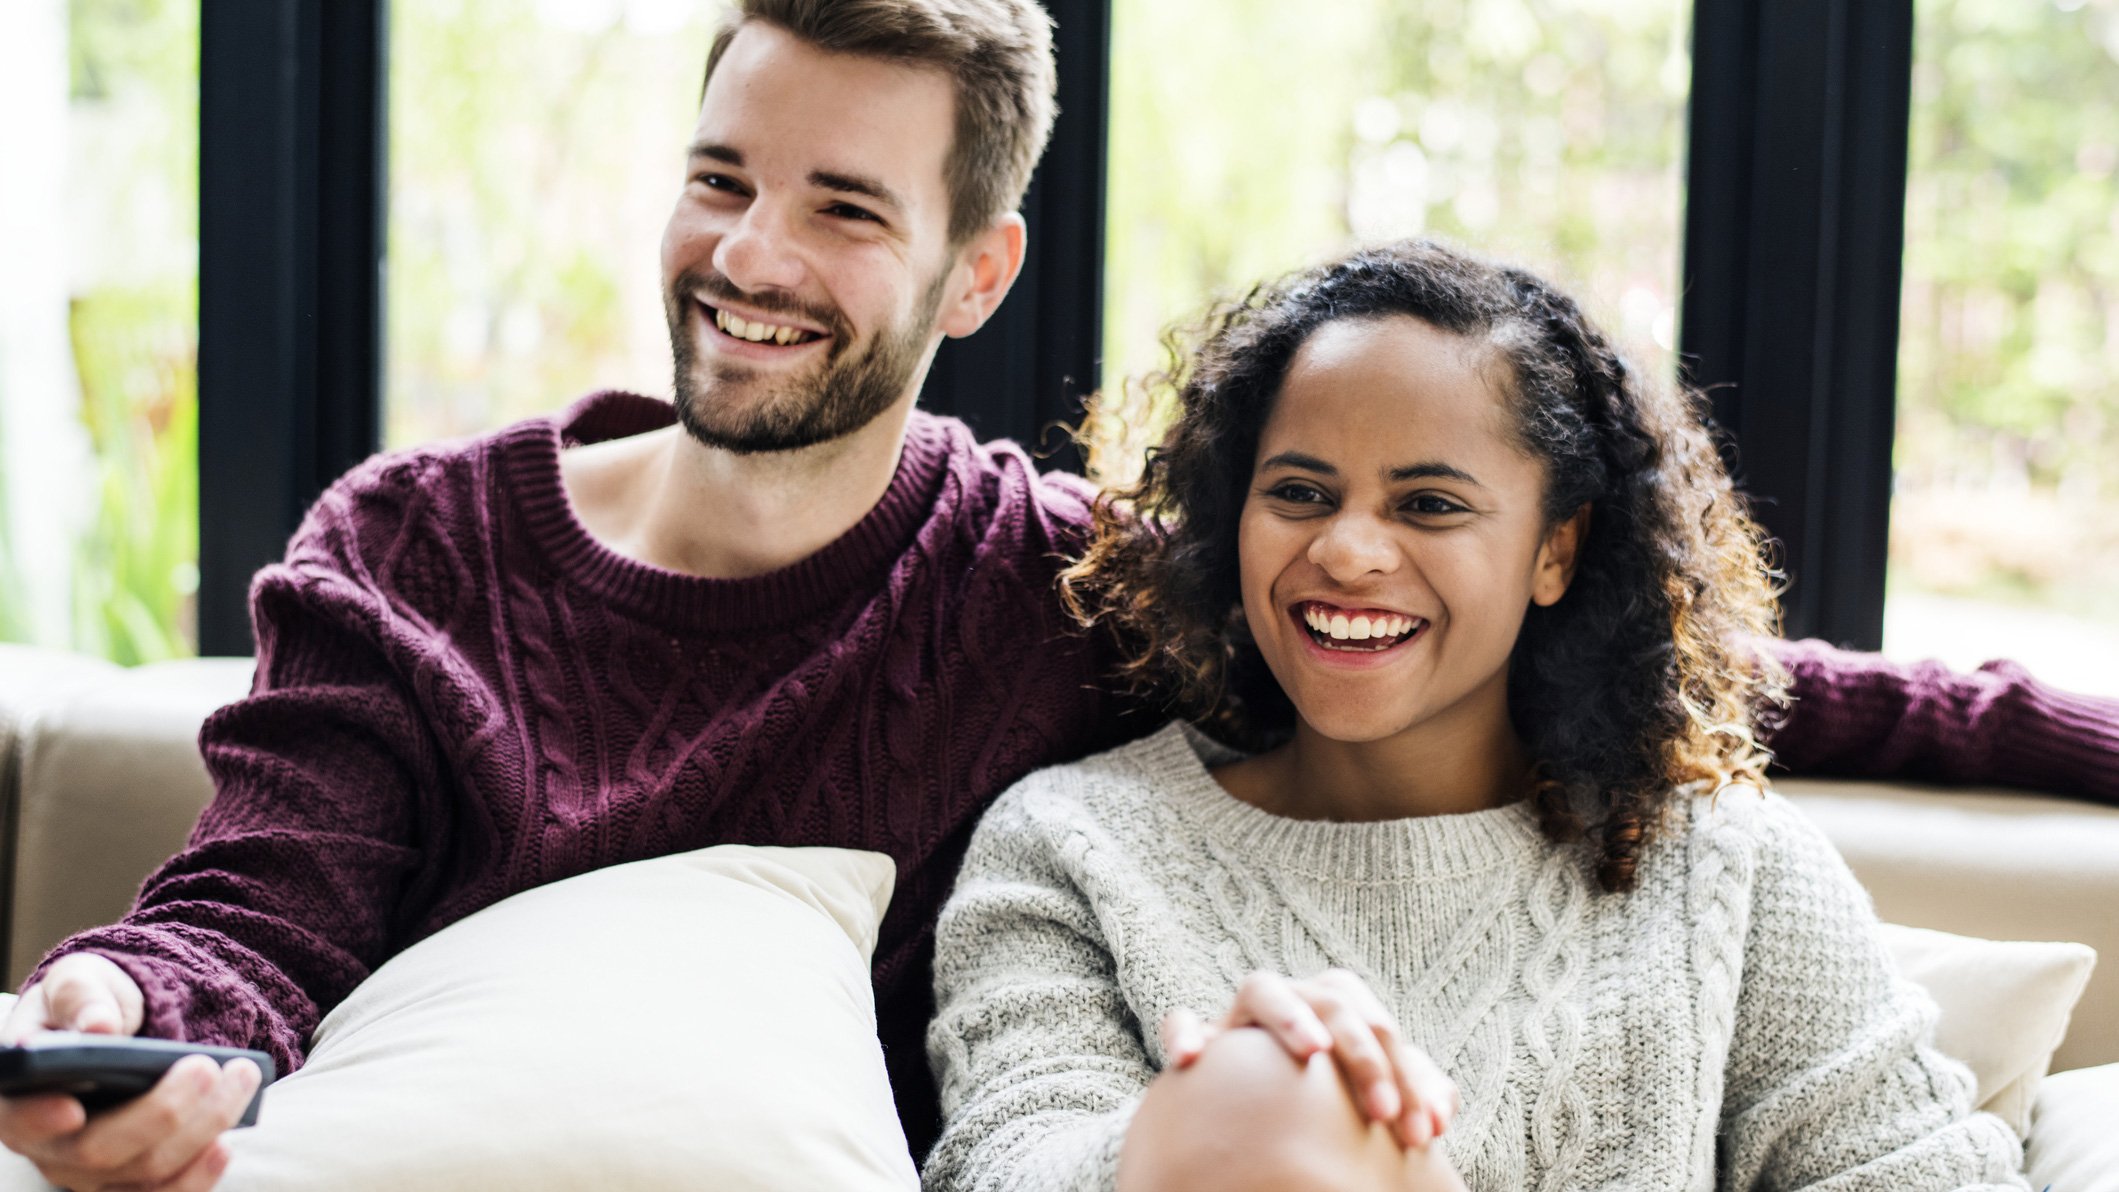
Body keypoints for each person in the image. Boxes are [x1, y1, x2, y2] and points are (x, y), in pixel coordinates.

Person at [0, 1, 2107, 1188]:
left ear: (972, 270)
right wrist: (131, 1016)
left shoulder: (1056, 584)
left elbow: (1664, 658)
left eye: (843, 207)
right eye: (725, 181)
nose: (751, 256)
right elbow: (255, 904)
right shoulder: (423, 543)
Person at [922, 241, 2031, 1190]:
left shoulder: (1730, 875)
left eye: (1429, 504)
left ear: (1555, 549)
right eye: (1299, 492)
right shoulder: (1072, 846)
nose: (1347, 550)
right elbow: (1007, 1156)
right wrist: (1212, 1128)